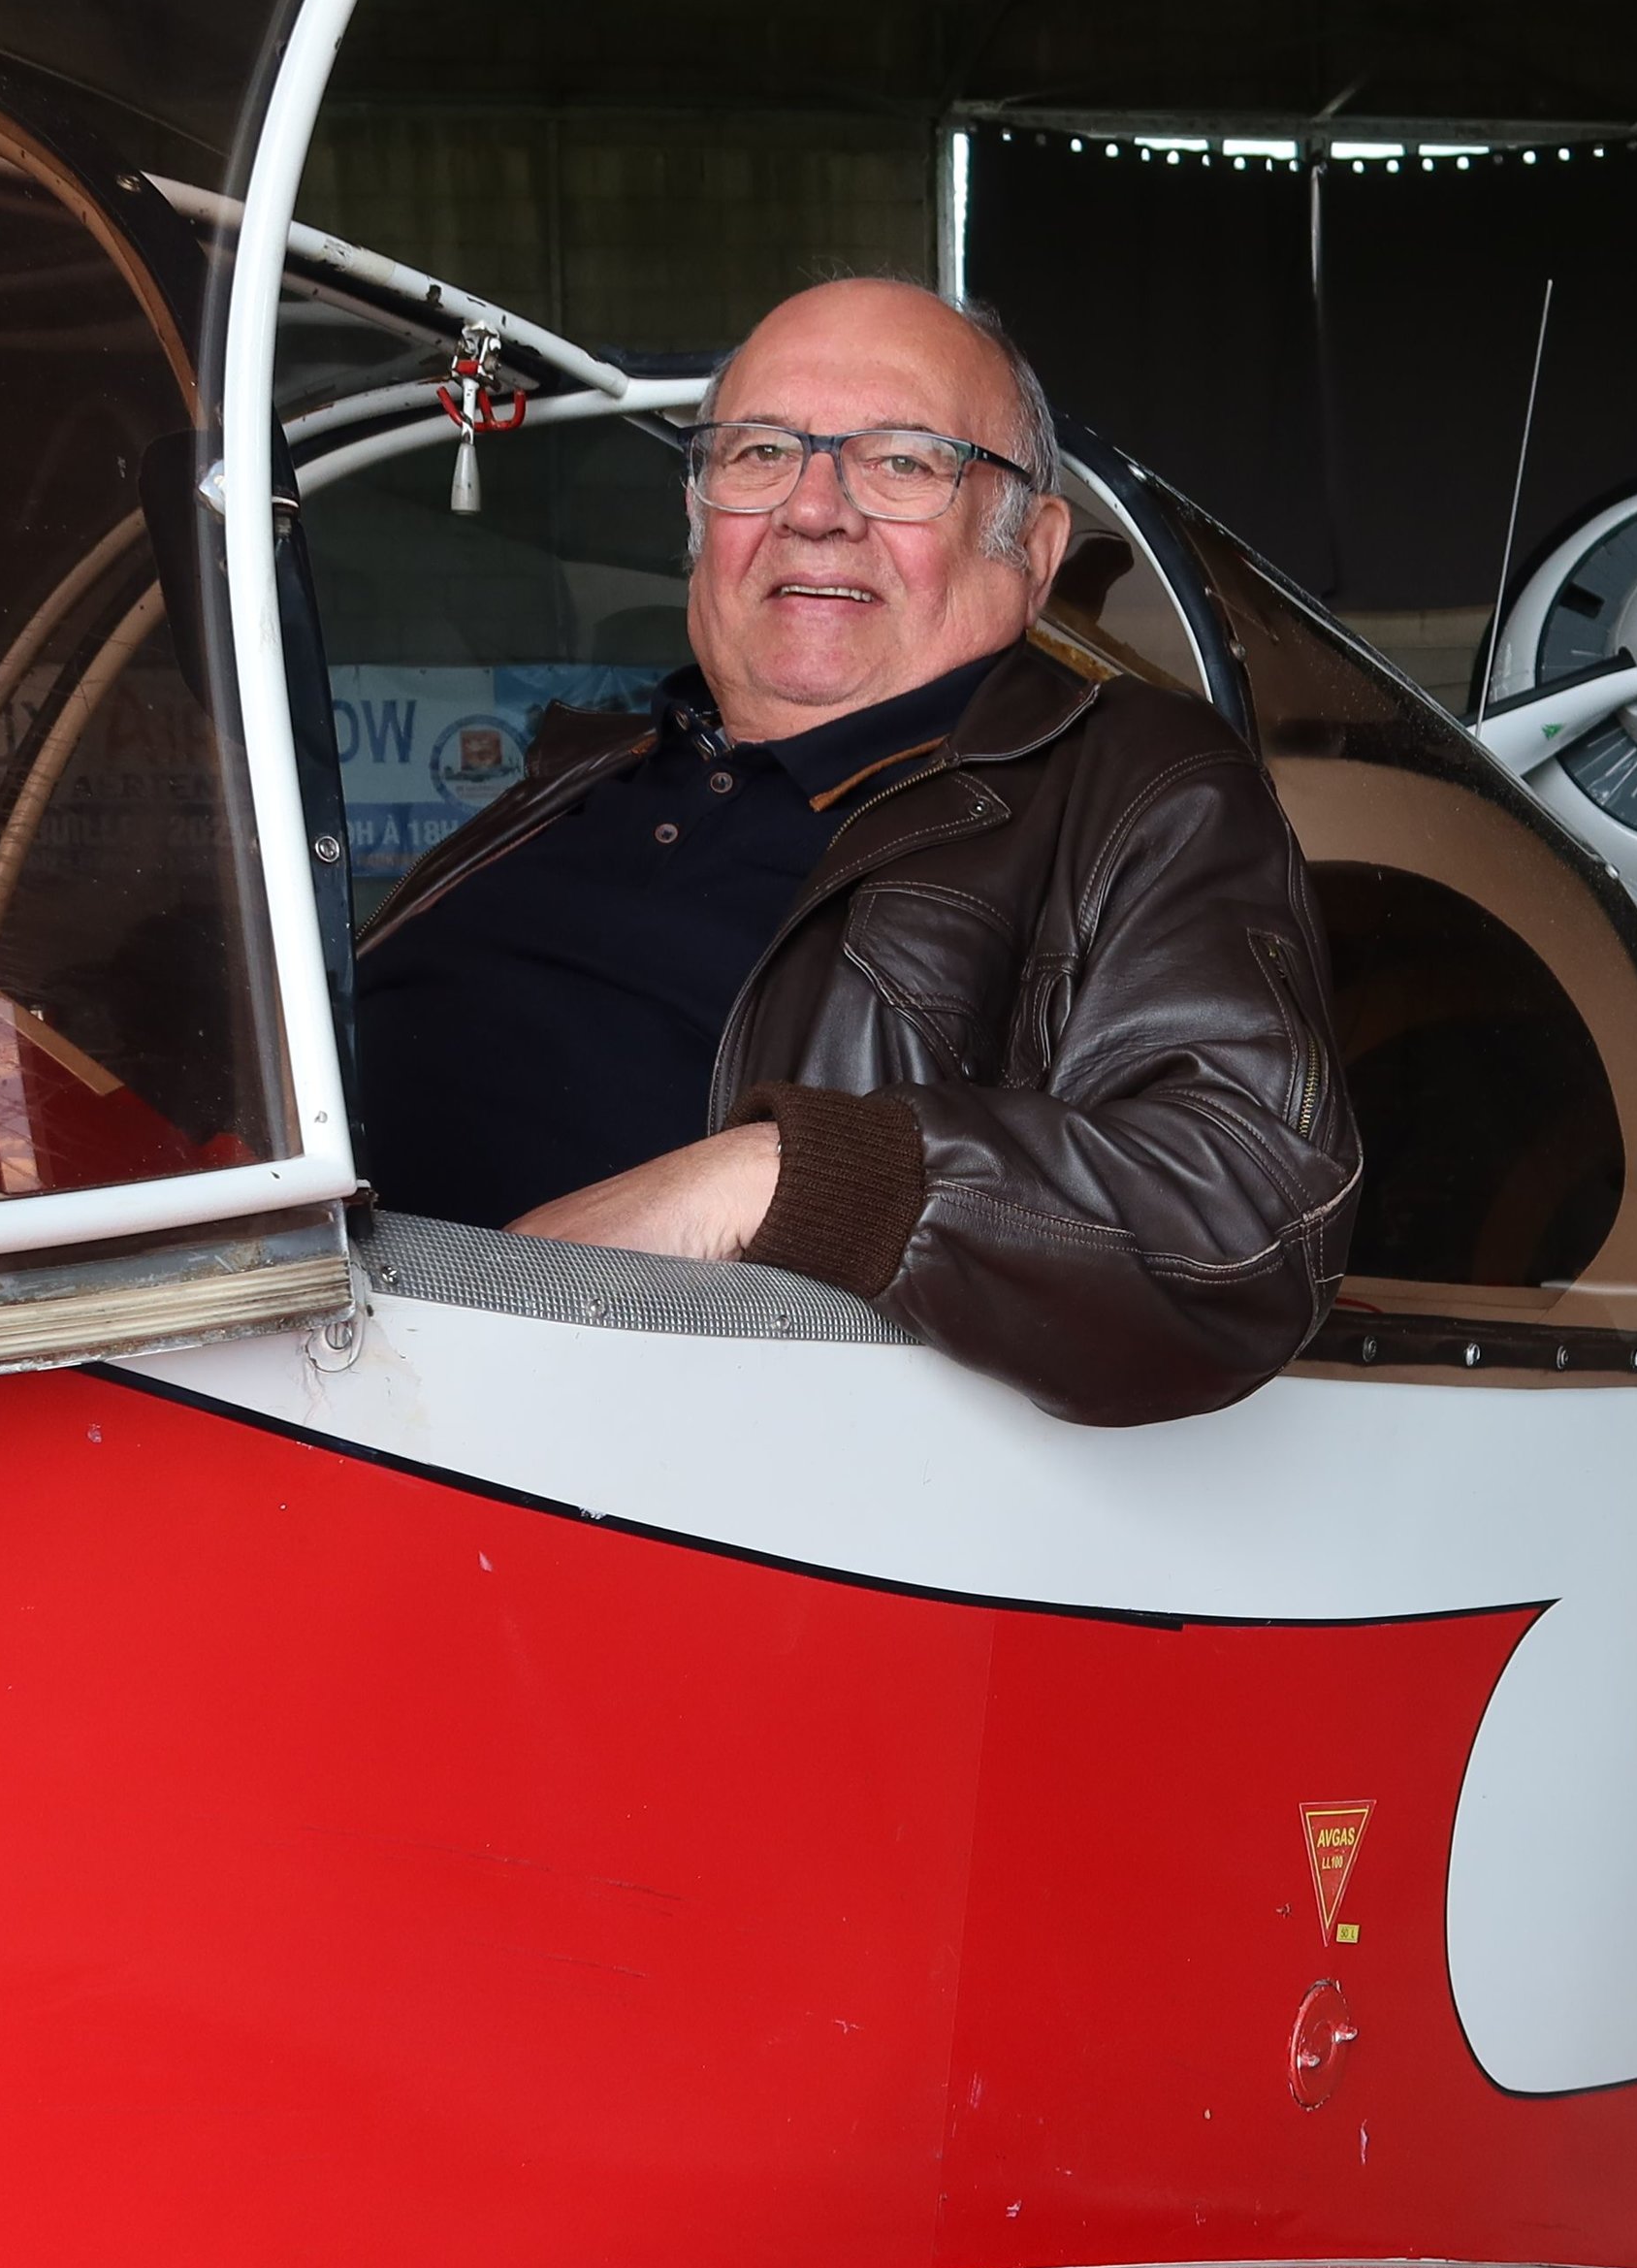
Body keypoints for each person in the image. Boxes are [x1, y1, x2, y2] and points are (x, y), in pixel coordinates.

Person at [352, 276, 1360, 1426]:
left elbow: (1241, 1211)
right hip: (244, 1363)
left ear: (1030, 551)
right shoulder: (590, 769)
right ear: (699, 518)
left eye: (900, 463)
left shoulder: (1132, 782)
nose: (813, 509)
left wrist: (776, 1178)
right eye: (761, 452)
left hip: (598, 1479)